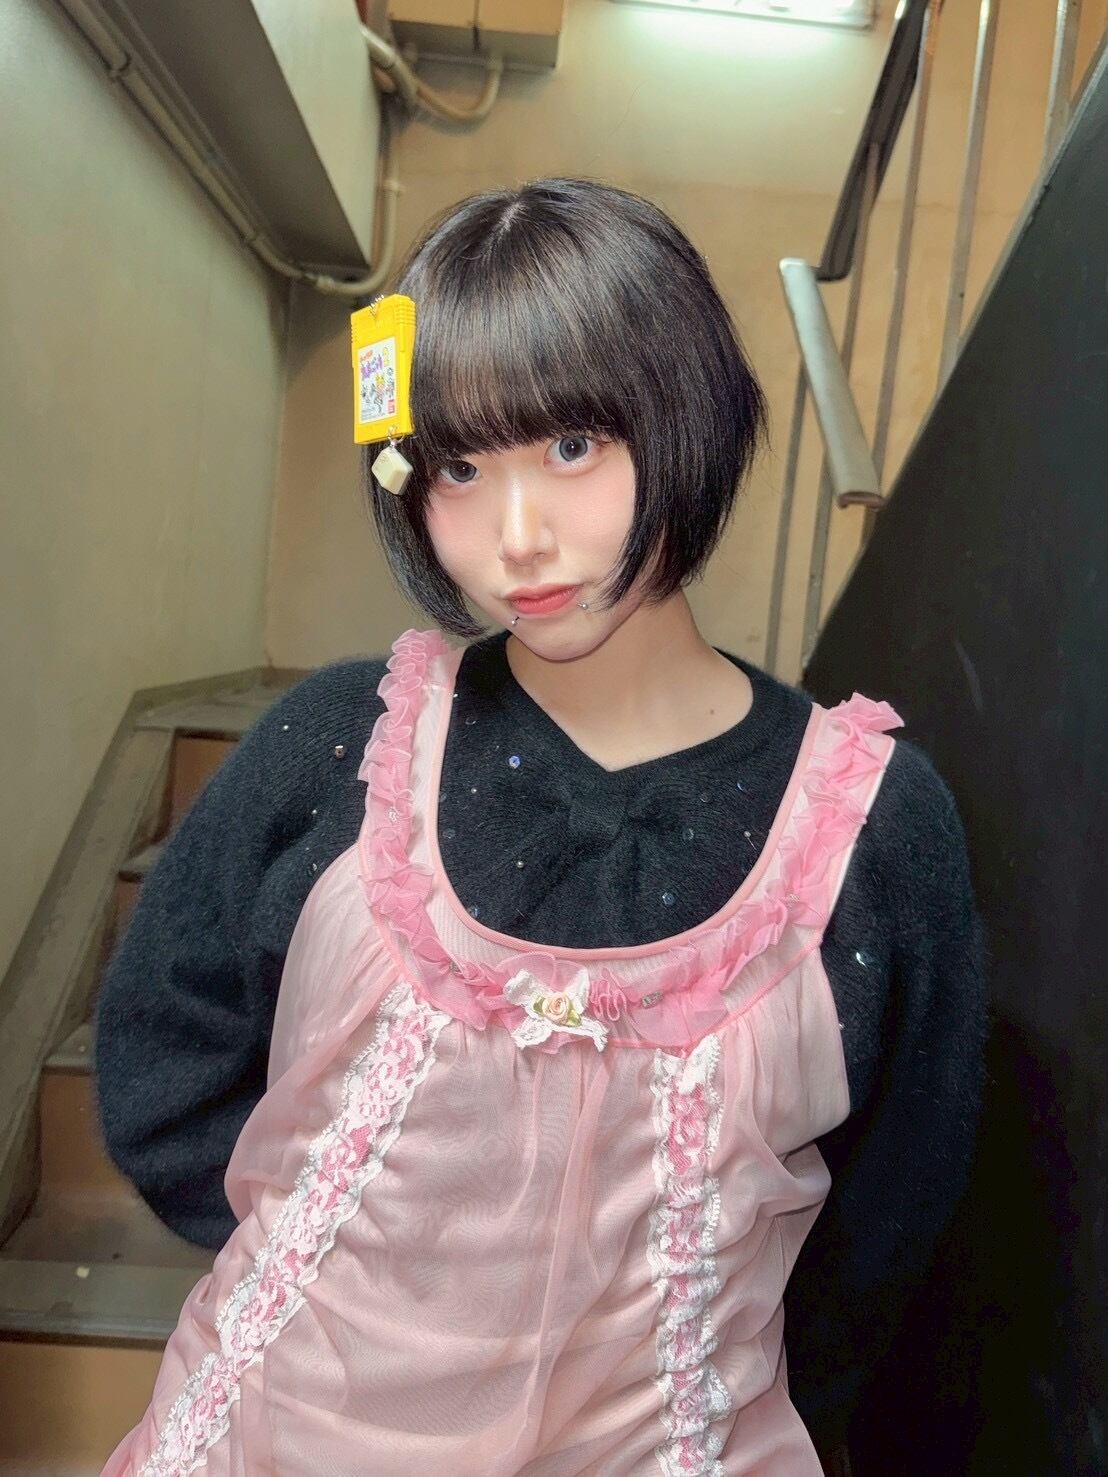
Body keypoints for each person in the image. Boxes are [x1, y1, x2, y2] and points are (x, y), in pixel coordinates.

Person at [95, 177, 987, 1475]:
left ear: (686, 418)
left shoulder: (876, 830)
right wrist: (368, 1266)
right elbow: (160, 1074)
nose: (517, 538)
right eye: (460, 468)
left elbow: (896, 1220)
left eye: (573, 447)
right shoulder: (337, 743)